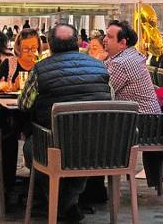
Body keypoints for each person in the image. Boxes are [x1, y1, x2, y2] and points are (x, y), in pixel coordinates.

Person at [18, 24, 112, 222]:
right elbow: (109, 101)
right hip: (96, 147)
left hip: (53, 146)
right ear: (78, 43)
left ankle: (59, 202)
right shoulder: (100, 67)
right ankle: (69, 202)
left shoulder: (40, 69)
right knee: (80, 148)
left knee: (32, 148)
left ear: (50, 46)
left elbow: (24, 104)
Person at [103, 20, 159, 113]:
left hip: (141, 121)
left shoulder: (120, 63)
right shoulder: (131, 54)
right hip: (150, 117)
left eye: (109, 37)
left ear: (122, 43)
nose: (104, 39)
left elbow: (104, 93)